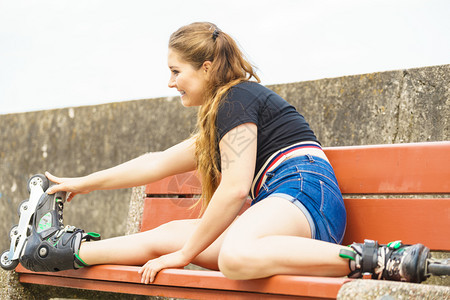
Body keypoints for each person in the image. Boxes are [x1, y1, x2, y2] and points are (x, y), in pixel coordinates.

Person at [27, 22, 429, 284]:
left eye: (175, 71)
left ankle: (375, 259)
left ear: (205, 68)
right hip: (289, 209)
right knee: (166, 237)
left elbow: (236, 188)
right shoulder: (224, 115)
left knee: (233, 258)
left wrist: (186, 255)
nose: (170, 83)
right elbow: (155, 163)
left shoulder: (234, 99)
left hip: (304, 192)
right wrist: (83, 183)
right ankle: (60, 249)